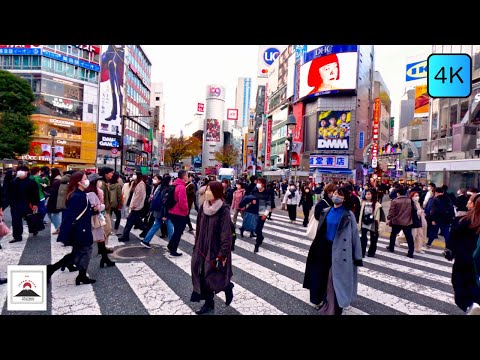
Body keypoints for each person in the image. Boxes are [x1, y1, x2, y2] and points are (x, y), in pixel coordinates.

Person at [303, 187, 363, 315]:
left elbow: (355, 236)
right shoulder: (326, 211)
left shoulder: (348, 214)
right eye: (335, 193)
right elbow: (320, 231)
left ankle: (335, 308)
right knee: (323, 277)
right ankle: (324, 302)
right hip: (324, 248)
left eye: (339, 194)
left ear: (344, 198)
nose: (336, 196)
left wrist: (357, 256)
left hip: (340, 250)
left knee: (335, 279)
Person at [190, 181, 234, 315]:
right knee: (201, 276)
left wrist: (223, 254)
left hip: (216, 250)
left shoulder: (223, 210)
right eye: (206, 189)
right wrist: (196, 245)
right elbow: (198, 228)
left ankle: (227, 286)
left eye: (209, 190)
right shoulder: (203, 207)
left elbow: (226, 235)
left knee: (212, 276)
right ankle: (209, 304)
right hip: (201, 248)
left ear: (217, 192)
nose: (206, 192)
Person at [48, 172, 95, 285]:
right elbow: (69, 216)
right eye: (85, 178)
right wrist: (64, 233)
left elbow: (82, 212)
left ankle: (51, 269)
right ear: (79, 182)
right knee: (85, 251)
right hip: (80, 230)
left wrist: (94, 210)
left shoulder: (80, 194)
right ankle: (81, 276)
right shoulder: (77, 196)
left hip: (82, 228)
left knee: (77, 253)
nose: (87, 180)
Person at [448, 194, 480, 315]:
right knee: (474, 287)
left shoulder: (464, 221)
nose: (467, 202)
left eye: (469, 201)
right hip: (475, 261)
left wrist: (449, 253)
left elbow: (453, 241)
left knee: (460, 287)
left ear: (474, 204)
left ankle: (470, 306)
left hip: (464, 261)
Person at [86, 173, 115, 268]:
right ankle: (66, 263)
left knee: (100, 238)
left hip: (89, 218)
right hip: (96, 218)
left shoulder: (85, 191)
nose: (100, 182)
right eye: (98, 181)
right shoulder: (97, 192)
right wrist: (102, 209)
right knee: (92, 241)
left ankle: (104, 258)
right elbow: (100, 206)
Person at [9, 166, 40, 243]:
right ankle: (17, 236)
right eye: (18, 171)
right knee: (16, 221)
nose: (20, 172)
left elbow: (36, 194)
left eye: (22, 171)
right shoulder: (14, 181)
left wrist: (35, 204)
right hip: (15, 204)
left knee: (30, 218)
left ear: (27, 172)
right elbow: (9, 193)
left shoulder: (32, 182)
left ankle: (34, 229)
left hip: (27, 204)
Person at [140, 175, 171, 248]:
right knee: (169, 224)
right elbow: (164, 203)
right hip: (162, 211)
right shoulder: (166, 189)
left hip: (157, 209)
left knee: (156, 224)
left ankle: (146, 240)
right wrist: (165, 214)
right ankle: (172, 244)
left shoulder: (159, 187)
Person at [386, 186, 415, 258]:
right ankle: (411, 252)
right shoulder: (410, 201)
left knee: (393, 235)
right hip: (407, 221)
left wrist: (389, 218)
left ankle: (391, 247)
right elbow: (413, 211)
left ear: (398, 193)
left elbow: (391, 212)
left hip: (397, 221)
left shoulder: (395, 201)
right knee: (409, 237)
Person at [118, 171, 146, 242]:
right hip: (132, 204)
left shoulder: (141, 184)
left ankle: (125, 236)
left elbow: (139, 196)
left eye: (134, 175)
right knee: (137, 221)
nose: (133, 176)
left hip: (136, 207)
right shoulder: (134, 183)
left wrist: (134, 205)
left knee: (129, 221)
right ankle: (146, 231)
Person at [167, 170, 190, 256]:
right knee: (178, 231)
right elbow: (182, 202)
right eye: (187, 175)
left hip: (172, 211)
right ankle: (173, 249)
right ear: (184, 176)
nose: (188, 177)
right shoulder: (181, 187)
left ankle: (170, 245)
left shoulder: (174, 184)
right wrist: (186, 210)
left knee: (177, 230)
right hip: (179, 212)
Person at [358, 188, 383, 257]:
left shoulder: (378, 205)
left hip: (373, 223)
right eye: (366, 194)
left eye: (369, 194)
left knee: (374, 239)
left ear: (373, 195)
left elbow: (381, 217)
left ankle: (371, 252)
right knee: (363, 237)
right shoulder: (362, 203)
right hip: (364, 222)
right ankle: (362, 252)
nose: (367, 195)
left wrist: (380, 227)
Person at [102, 45, 124, 121]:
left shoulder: (121, 51)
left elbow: (120, 60)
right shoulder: (110, 48)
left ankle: (122, 115)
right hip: (111, 72)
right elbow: (104, 59)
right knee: (112, 92)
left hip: (116, 73)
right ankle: (113, 113)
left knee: (119, 92)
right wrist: (105, 55)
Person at [46, 168, 62, 235]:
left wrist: (47, 188)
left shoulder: (57, 180)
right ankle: (58, 228)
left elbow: (54, 191)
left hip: (54, 200)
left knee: (54, 215)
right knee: (51, 214)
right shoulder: (58, 179)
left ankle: (59, 229)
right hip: (54, 199)